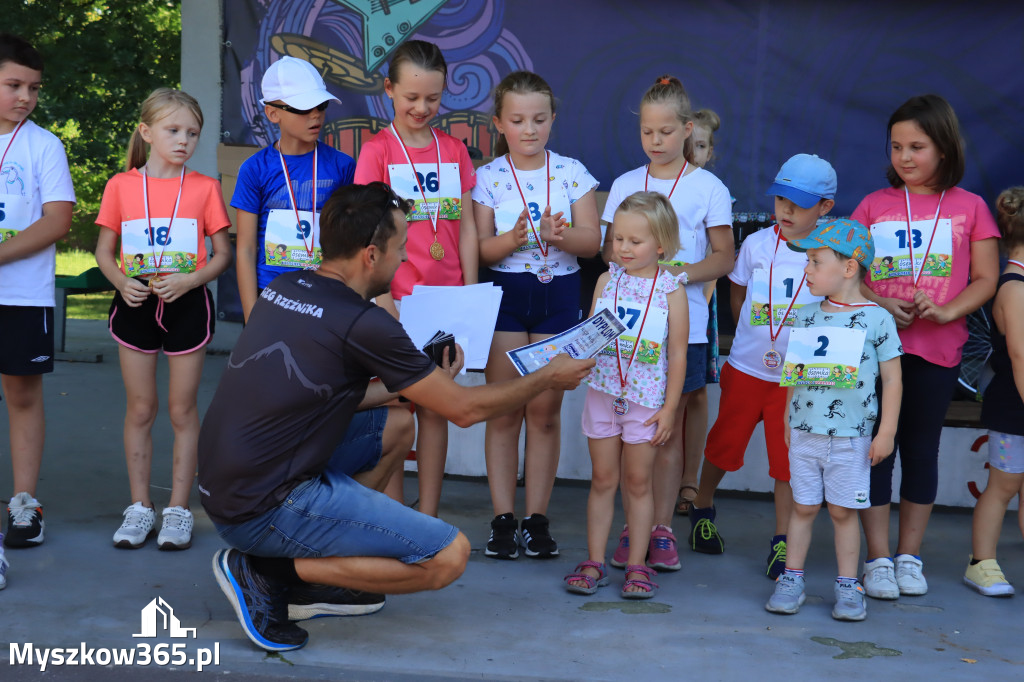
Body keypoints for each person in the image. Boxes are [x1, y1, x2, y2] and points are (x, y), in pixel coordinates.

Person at [199, 182, 593, 651]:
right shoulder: (365, 322)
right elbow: (465, 411)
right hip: (260, 507)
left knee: (397, 423)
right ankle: (264, 570)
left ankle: (309, 565)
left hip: (224, 486)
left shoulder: (286, 286)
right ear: (370, 255)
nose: (404, 260)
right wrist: (547, 377)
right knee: (447, 556)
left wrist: (411, 382)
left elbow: (319, 396)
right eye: (400, 249)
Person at [852, 94, 999, 599]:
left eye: (917, 146)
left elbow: (985, 278)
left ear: (944, 147)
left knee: (920, 450)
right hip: (876, 351)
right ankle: (876, 560)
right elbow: (850, 277)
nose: (905, 157)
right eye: (896, 146)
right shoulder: (873, 205)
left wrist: (949, 310)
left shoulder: (971, 207)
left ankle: (908, 556)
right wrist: (878, 304)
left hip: (938, 349)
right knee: (876, 451)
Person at [601, 76, 733, 572]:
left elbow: (724, 257)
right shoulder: (624, 184)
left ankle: (660, 530)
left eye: (666, 132)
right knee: (627, 435)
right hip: (626, 332)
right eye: (647, 133)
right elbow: (610, 254)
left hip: (685, 329)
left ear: (687, 129)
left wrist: (676, 275)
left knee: (667, 431)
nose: (655, 142)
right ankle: (633, 527)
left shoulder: (708, 187)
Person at [94, 88, 232, 550]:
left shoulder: (204, 187)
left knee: (181, 409)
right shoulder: (120, 185)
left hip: (186, 306)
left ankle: (177, 509)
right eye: (173, 130)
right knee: (140, 408)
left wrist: (191, 281)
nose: (184, 141)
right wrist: (120, 281)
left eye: (192, 133)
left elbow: (222, 254)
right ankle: (139, 507)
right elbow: (103, 251)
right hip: (136, 305)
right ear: (146, 131)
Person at [472, 70, 601, 560]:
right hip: (506, 295)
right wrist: (516, 238)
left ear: (553, 120)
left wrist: (559, 235)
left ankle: (538, 518)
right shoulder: (487, 177)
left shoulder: (572, 171)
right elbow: (481, 250)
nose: (530, 129)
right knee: (504, 408)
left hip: (560, 294)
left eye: (540, 119)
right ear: (499, 123)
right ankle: (503, 518)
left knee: (544, 414)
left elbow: (595, 242)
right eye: (519, 120)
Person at [688, 154, 833, 580]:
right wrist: (756, 343)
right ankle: (702, 507)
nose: (786, 210)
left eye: (800, 203)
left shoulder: (828, 251)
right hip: (749, 369)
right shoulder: (754, 244)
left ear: (824, 207)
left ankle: (782, 541)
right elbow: (737, 300)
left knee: (787, 462)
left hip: (797, 381)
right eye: (781, 199)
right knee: (723, 444)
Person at [354, 40, 478, 517]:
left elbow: (466, 226)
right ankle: (393, 517)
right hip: (395, 302)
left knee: (435, 408)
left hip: (445, 302)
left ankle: (428, 518)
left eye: (433, 98)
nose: (422, 108)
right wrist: (382, 298)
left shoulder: (454, 151)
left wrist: (467, 290)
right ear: (389, 90)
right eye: (411, 98)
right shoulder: (377, 151)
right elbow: (369, 233)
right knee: (395, 409)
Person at [765, 218, 903, 621]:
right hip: (805, 432)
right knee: (803, 507)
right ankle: (791, 578)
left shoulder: (878, 318)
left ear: (848, 268)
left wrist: (887, 431)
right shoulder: (806, 315)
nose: (806, 270)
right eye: (807, 261)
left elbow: (893, 378)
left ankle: (848, 585)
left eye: (814, 261)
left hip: (852, 437)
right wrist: (790, 420)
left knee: (844, 511)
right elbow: (795, 371)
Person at [564, 191, 688, 599]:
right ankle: (595, 561)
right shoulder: (605, 280)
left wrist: (670, 408)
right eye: (618, 238)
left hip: (646, 402)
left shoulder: (672, 290)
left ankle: (637, 565)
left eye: (635, 241)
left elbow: (678, 353)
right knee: (603, 479)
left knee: (638, 482)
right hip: (603, 393)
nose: (624, 248)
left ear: (661, 245)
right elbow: (590, 335)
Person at [0, 35, 75, 578]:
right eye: (13, 85)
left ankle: (24, 504)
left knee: (22, 395)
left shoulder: (44, 145)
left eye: (33, 88)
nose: (24, 97)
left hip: (22, 294)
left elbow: (57, 219)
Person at [232, 55, 355, 323]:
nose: (315, 115)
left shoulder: (343, 166)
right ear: (272, 113)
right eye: (302, 108)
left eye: (321, 105)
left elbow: (351, 241)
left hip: (327, 294)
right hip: (271, 295)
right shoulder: (254, 169)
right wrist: (251, 315)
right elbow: (245, 248)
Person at [964, 187, 1024, 597]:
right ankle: (980, 563)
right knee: (1003, 486)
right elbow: (1020, 356)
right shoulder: (1014, 287)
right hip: (1013, 408)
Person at [676, 107, 723, 515]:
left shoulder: (712, 190)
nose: (692, 152)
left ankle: (689, 479)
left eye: (701, 146)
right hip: (662, 308)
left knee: (694, 396)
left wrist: (700, 303)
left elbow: (715, 261)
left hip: (699, 308)